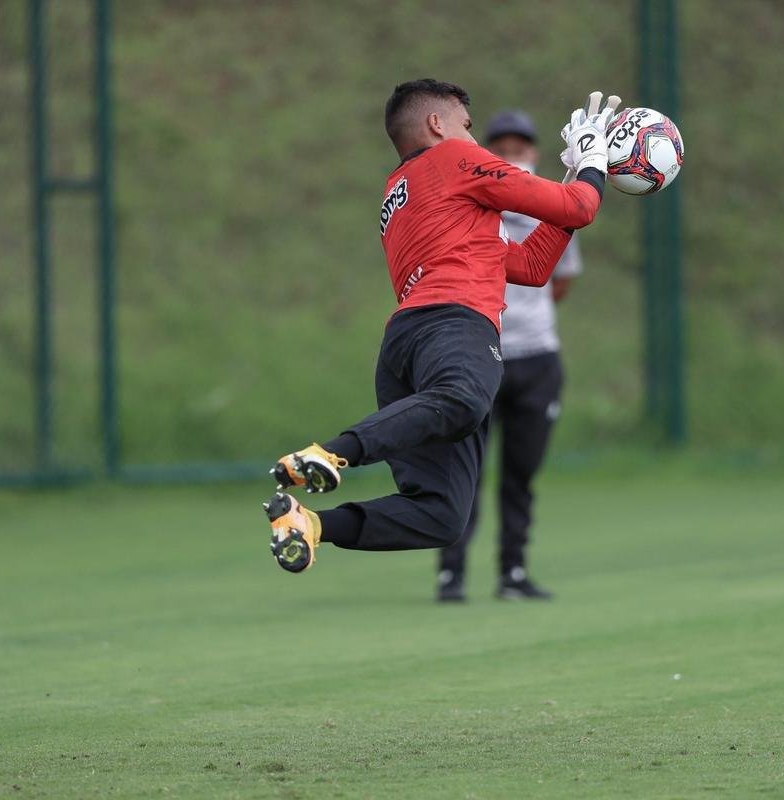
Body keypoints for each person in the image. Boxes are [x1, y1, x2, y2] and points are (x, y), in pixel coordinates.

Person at [263, 79, 619, 574]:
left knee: (441, 516)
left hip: (406, 349)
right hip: (455, 325)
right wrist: (592, 166)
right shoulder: (454, 160)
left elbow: (533, 268)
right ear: (436, 125)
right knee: (466, 398)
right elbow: (578, 205)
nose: (474, 140)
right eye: (466, 126)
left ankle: (310, 524)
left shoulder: (402, 191)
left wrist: (580, 170)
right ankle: (330, 455)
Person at [435, 109, 580, 602]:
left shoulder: (554, 201)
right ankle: (450, 573)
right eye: (501, 144)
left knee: (520, 474)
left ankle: (512, 573)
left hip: (538, 356)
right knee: (465, 471)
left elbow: (559, 276)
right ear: (486, 151)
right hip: (480, 352)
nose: (512, 151)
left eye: (521, 144)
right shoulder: (473, 195)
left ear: (535, 151)